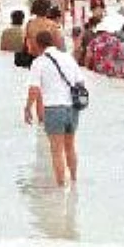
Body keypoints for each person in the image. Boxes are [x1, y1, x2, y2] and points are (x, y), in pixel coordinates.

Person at [25, 29, 87, 188]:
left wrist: (27, 108)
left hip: (53, 109)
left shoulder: (38, 62)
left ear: (38, 45)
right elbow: (80, 82)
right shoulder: (68, 58)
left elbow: (34, 89)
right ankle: (73, 181)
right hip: (72, 108)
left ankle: (60, 188)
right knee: (70, 146)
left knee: (56, 151)